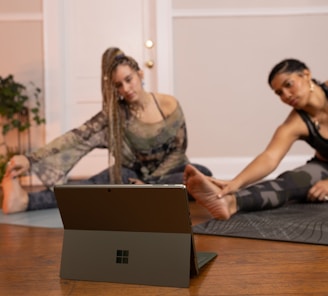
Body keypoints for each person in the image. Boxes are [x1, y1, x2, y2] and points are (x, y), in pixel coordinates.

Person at [2, 47, 212, 214]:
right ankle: (26, 201)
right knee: (93, 187)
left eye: (129, 80)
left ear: (139, 74)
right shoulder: (114, 115)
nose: (126, 89)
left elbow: (178, 151)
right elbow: (75, 138)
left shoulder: (168, 104)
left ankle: (147, 194)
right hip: (131, 176)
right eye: (119, 85)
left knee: (202, 174)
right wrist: (30, 160)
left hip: (169, 173)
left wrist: (148, 184)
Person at [184, 58, 328, 220]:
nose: (286, 95)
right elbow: (269, 157)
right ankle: (231, 202)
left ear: (306, 74)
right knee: (288, 182)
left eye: (288, 84)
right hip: (324, 165)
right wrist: (234, 184)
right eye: (279, 93)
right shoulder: (294, 124)